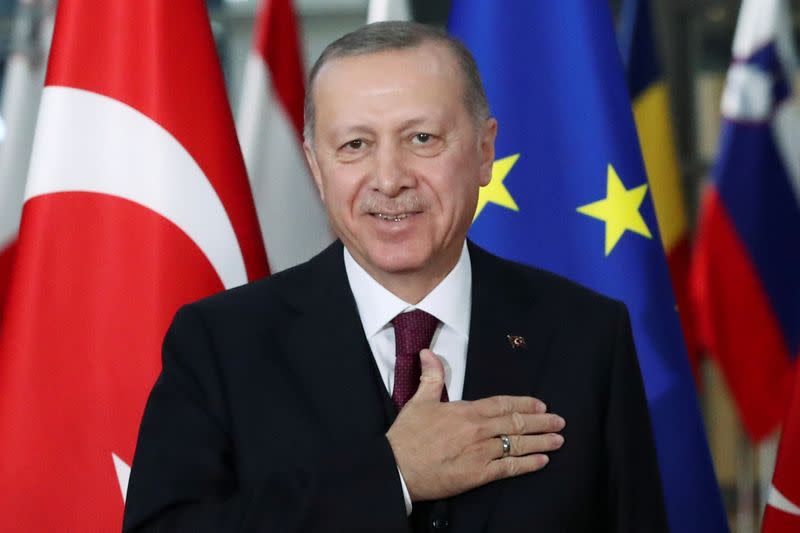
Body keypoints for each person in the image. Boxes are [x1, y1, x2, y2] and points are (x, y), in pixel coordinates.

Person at [123, 21, 668, 533]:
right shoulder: (221, 344)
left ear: (484, 151)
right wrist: (393, 477)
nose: (389, 179)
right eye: (355, 145)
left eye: (422, 138)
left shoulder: (587, 334)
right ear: (316, 166)